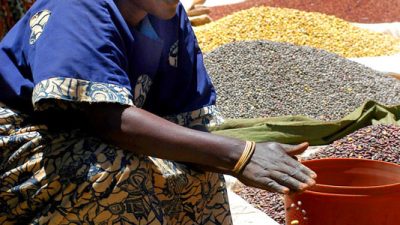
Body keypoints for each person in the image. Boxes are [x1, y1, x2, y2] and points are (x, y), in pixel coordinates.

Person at [0, 0, 317, 224]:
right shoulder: (79, 7)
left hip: (92, 133)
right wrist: (240, 155)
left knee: (199, 171)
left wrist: (240, 154)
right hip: (23, 141)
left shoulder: (169, 16)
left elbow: (191, 117)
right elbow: (109, 120)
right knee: (113, 169)